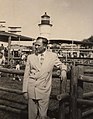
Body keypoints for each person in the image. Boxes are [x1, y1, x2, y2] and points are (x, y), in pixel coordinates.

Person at [22, 37, 67, 119]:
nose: (36, 47)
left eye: (38, 45)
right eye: (35, 45)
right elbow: (26, 75)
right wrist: (25, 90)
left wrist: (63, 70)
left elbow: (61, 64)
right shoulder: (30, 57)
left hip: (44, 89)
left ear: (45, 46)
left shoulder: (52, 56)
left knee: (43, 115)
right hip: (31, 88)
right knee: (32, 116)